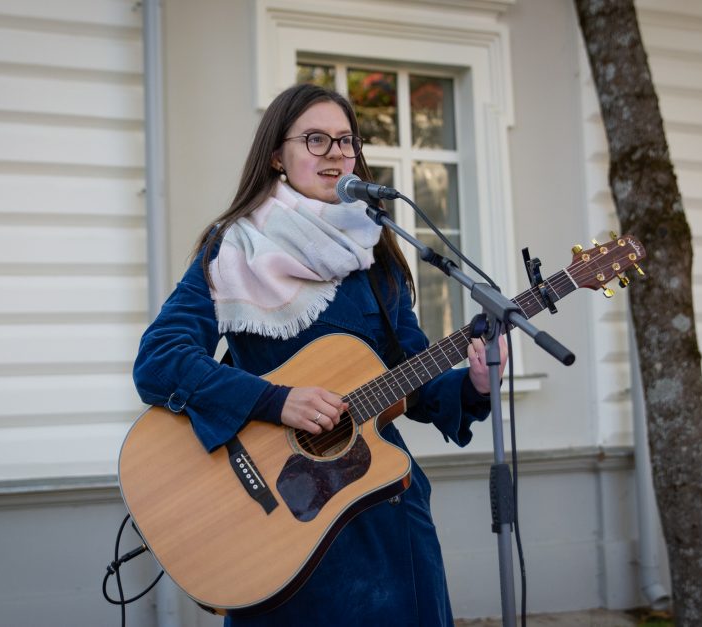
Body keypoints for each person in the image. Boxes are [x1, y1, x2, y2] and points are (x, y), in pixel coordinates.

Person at [133, 83, 508, 626]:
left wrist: (475, 381)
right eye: (315, 139)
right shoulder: (233, 248)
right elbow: (160, 361)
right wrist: (274, 401)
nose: (336, 152)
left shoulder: (375, 253)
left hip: (382, 515)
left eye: (346, 140)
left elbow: (416, 384)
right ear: (276, 157)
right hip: (277, 527)